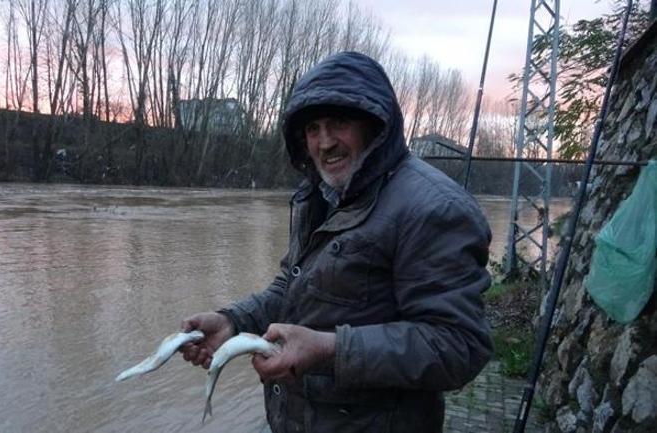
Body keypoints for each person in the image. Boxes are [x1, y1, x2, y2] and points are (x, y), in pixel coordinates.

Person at [180, 51, 493, 433]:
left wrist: (331, 349)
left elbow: (458, 345)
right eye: (313, 129)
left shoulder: (434, 208)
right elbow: (292, 287)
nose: (324, 142)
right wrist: (233, 321)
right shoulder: (321, 196)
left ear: (375, 126)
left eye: (339, 123)